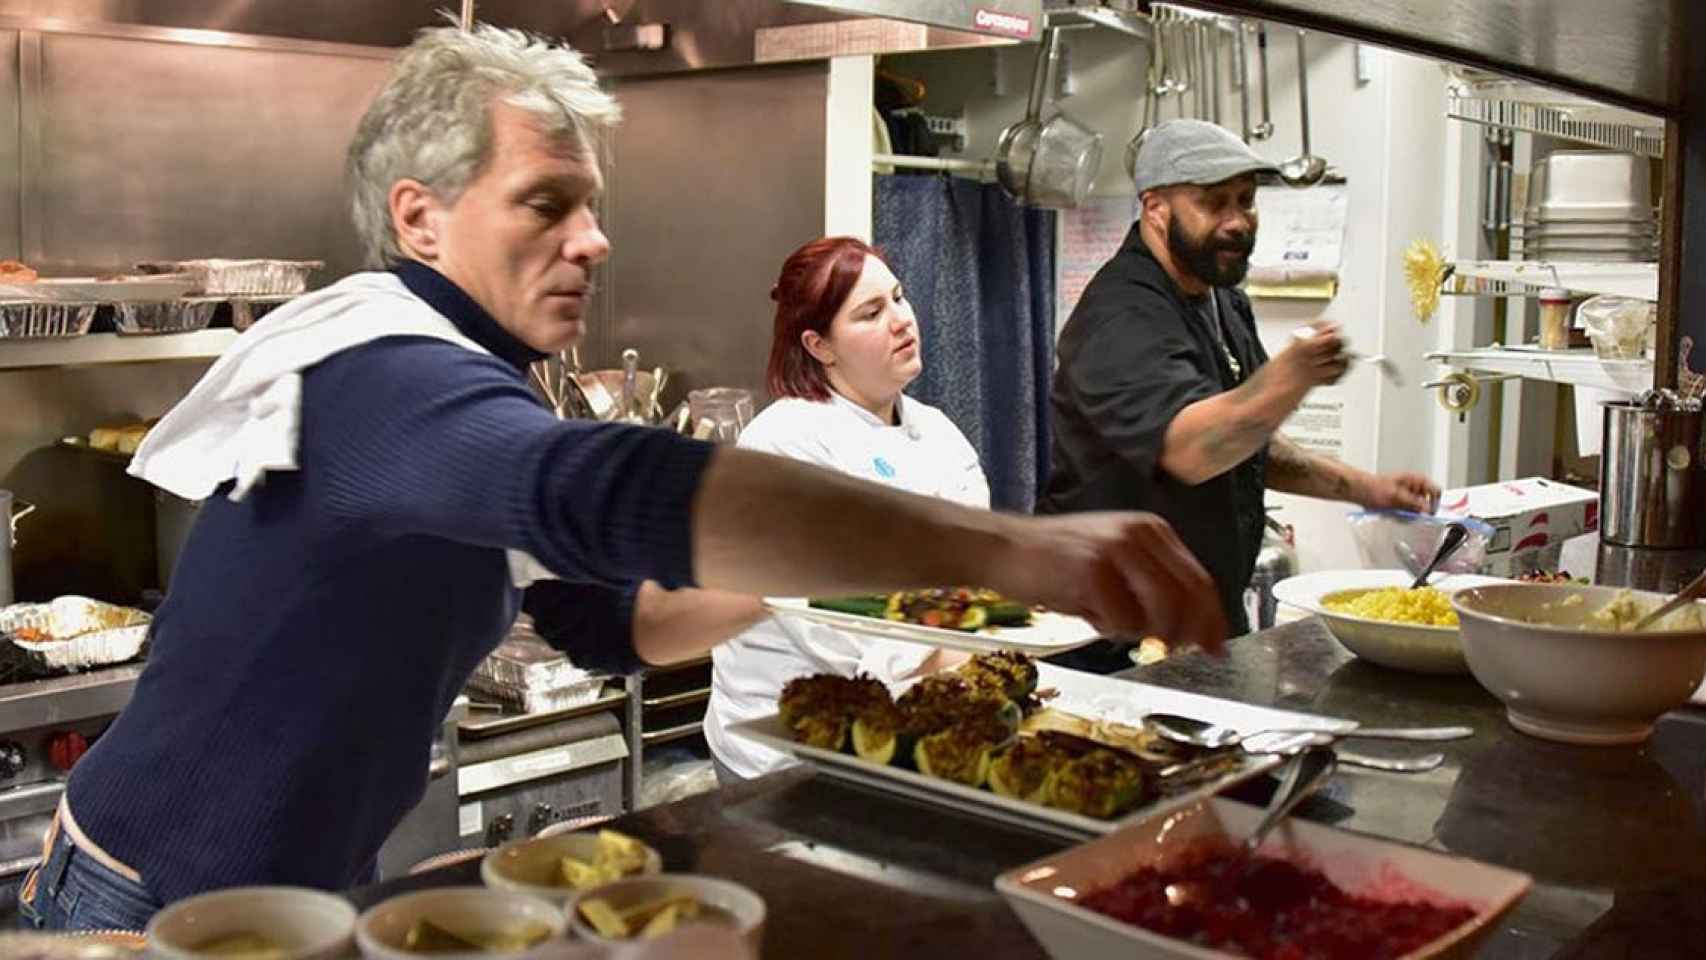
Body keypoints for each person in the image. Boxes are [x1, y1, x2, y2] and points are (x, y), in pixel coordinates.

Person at [20, 24, 1223, 931]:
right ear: (420, 218)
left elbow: (619, 622)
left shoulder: (472, 385)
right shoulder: (375, 369)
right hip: (150, 898)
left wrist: (823, 582)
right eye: (547, 204)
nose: (592, 240)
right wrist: (1010, 551)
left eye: (592, 208)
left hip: (311, 884)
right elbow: (591, 487)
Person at [1040, 119, 1438, 638]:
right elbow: (1192, 451)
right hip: (1110, 627)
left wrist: (1367, 489)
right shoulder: (1120, 316)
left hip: (1195, 613)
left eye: (1246, 200)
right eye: (1213, 203)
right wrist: (1287, 379)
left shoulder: (1220, 298)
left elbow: (1246, 442)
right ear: (1156, 208)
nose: (1238, 221)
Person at [703, 237, 989, 781]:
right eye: (871, 313)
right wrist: (967, 648)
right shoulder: (783, 446)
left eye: (899, 298)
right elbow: (837, 626)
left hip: (906, 731)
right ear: (819, 345)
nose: (902, 320)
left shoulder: (938, 434)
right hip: (783, 751)